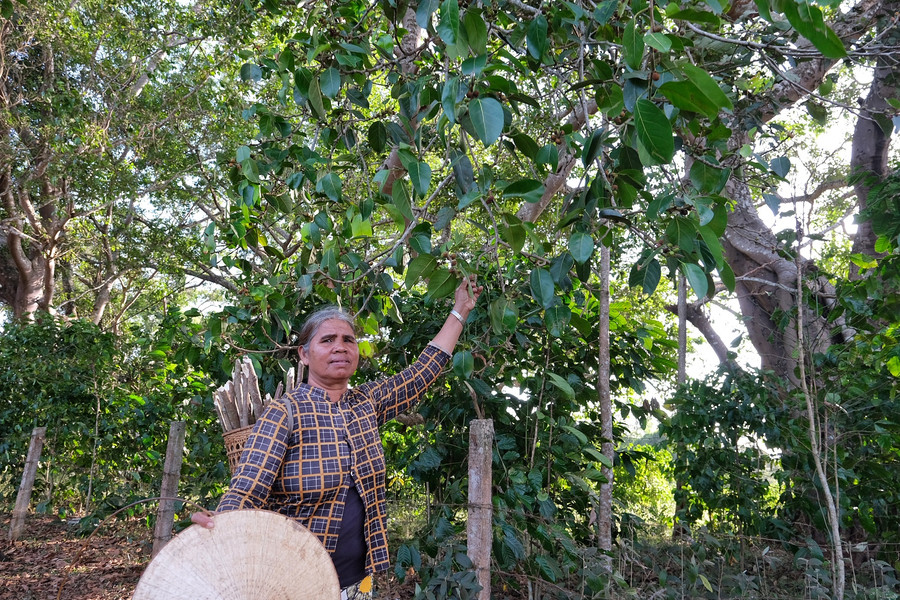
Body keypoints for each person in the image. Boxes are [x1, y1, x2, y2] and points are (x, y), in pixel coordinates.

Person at [192, 276, 483, 599]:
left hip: (359, 582)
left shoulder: (365, 403)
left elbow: (421, 373)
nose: (340, 347)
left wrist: (460, 311)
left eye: (348, 340)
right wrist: (218, 524)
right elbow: (248, 488)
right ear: (304, 354)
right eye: (327, 340)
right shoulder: (285, 413)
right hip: (294, 580)